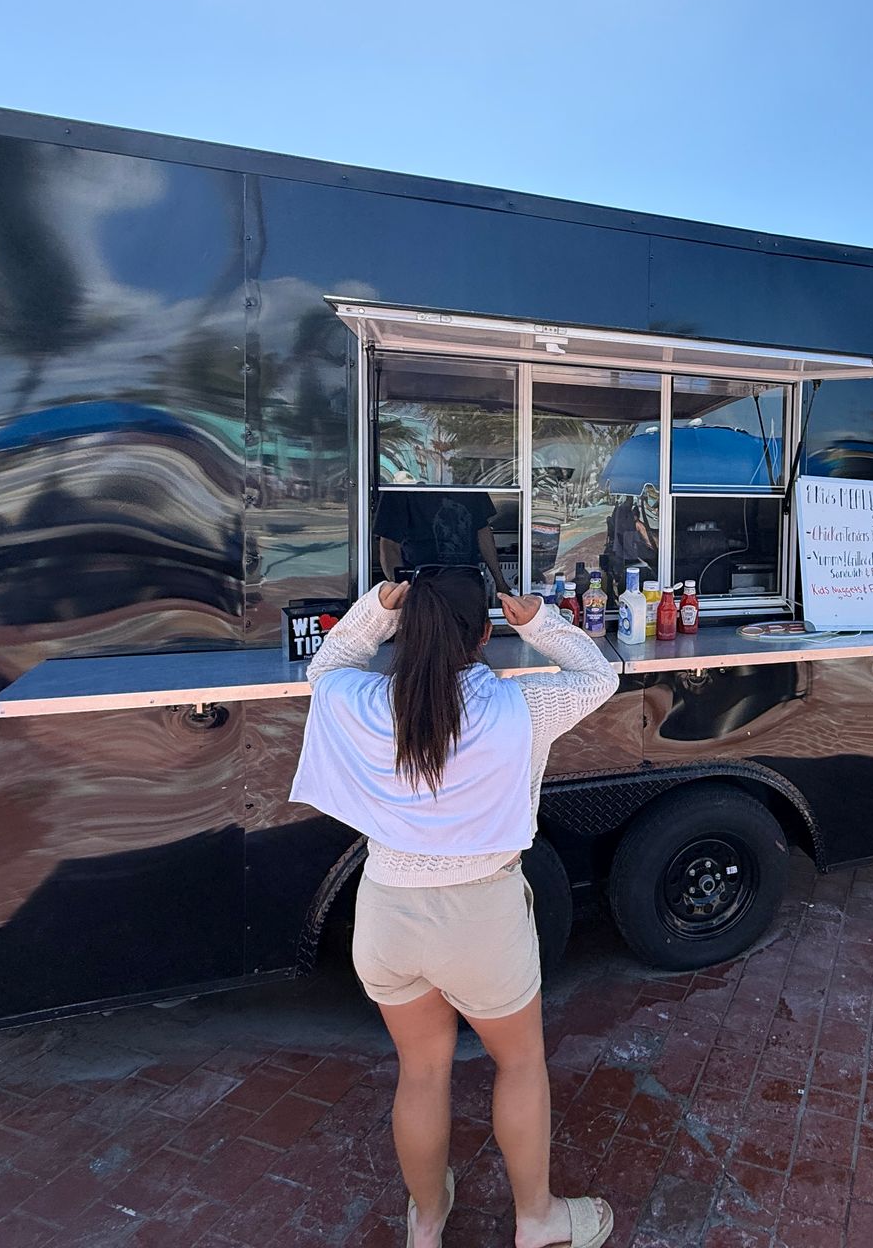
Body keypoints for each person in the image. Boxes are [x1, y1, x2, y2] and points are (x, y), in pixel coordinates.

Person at [291, 567, 618, 1248]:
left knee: (421, 1070)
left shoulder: (364, 699)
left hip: (387, 915)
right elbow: (599, 675)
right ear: (485, 633)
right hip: (482, 920)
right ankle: (535, 1220)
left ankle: (428, 1218)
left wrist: (375, 611)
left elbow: (326, 668)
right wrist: (541, 622)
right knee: (521, 1064)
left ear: (410, 629)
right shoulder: (522, 708)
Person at [375, 489, 512, 594]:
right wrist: (402, 590)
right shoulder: (400, 487)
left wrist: (500, 583)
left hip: (467, 585)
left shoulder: (469, 482)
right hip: (422, 587)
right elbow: (389, 546)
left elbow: (483, 531)